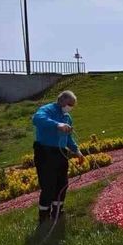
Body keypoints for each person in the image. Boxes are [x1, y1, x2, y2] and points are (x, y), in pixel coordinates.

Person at [31, 90, 84, 224]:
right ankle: (44, 216)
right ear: (61, 100)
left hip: (61, 153)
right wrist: (57, 124)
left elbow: (69, 138)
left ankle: (57, 212)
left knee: (62, 184)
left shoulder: (67, 117)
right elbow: (36, 119)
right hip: (45, 152)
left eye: (72, 105)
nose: (70, 107)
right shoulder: (47, 110)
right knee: (48, 185)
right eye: (69, 104)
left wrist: (77, 151)